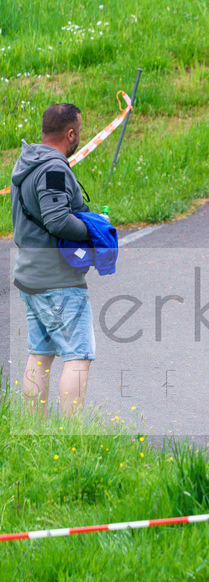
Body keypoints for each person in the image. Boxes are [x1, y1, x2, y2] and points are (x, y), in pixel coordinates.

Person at [10, 103, 95, 417]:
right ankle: (73, 437)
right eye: (79, 132)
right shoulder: (55, 169)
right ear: (70, 134)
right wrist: (91, 230)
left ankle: (35, 430)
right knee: (78, 354)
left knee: (40, 354)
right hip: (56, 280)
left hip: (30, 275)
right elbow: (58, 220)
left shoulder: (27, 160)